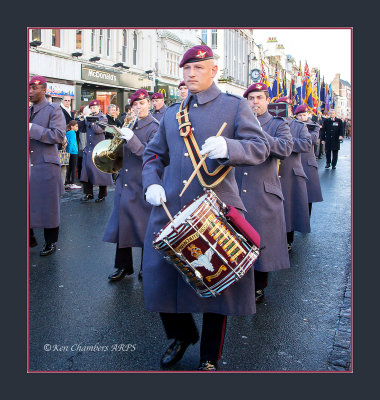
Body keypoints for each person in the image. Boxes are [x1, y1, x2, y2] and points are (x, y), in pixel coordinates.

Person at [142, 45, 270, 371]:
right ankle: (182, 334)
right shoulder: (172, 113)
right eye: (187, 68)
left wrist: (230, 146)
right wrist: (152, 182)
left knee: (218, 283)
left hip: (217, 209)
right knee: (161, 277)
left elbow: (260, 148)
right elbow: (154, 155)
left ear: (214, 70)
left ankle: (209, 357)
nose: (191, 73)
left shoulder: (234, 106)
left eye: (199, 68)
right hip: (172, 207)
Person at [236, 83, 293, 303]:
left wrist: (258, 132)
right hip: (239, 186)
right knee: (238, 239)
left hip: (263, 189)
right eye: (251, 98)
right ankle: (238, 280)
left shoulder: (278, 125)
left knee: (261, 240)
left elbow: (285, 149)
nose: (255, 102)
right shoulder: (238, 123)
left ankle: (259, 285)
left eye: (259, 98)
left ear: (267, 100)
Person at [103, 89, 159, 282]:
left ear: (149, 104)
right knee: (122, 224)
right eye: (135, 104)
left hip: (142, 182)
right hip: (125, 181)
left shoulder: (155, 127)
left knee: (144, 226)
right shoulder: (130, 123)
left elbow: (151, 155)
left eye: (142, 103)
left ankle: (147, 267)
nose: (138, 107)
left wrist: (132, 140)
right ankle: (123, 266)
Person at [29, 75, 66, 256]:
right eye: (29, 88)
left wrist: (32, 129)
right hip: (30, 164)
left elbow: (58, 135)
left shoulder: (54, 109)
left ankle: (51, 242)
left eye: (35, 89)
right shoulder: (29, 111)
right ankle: (30, 237)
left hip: (46, 164)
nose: (30, 92)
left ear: (44, 90)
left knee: (49, 206)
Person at [274, 97, 312, 253]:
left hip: (289, 172)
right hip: (272, 171)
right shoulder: (269, 123)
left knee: (288, 207)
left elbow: (306, 144)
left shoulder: (298, 126)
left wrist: (286, 142)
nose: (284, 109)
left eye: (287, 106)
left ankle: (287, 239)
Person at [78, 99, 113, 202]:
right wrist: (82, 120)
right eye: (91, 108)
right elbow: (81, 129)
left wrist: (91, 121)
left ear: (99, 108)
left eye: (94, 107)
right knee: (86, 172)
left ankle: (102, 195)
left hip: (99, 149)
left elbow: (98, 130)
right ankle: (88, 193)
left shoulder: (103, 118)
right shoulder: (88, 117)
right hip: (89, 149)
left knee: (101, 173)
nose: (93, 109)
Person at [294, 104, 323, 216]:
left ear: (308, 114)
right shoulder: (294, 125)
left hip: (307, 163)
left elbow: (313, 139)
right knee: (295, 192)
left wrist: (301, 135)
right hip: (296, 161)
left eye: (304, 115)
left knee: (308, 193)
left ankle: (307, 217)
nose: (302, 117)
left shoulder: (313, 126)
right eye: (300, 115)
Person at [65, 120, 81, 189]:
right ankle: (73, 183)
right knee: (73, 168)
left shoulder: (67, 133)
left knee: (68, 168)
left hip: (68, 152)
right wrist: (70, 151)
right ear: (72, 127)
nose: (77, 128)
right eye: (76, 126)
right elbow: (71, 143)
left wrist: (67, 152)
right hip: (73, 152)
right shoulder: (73, 133)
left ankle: (68, 182)